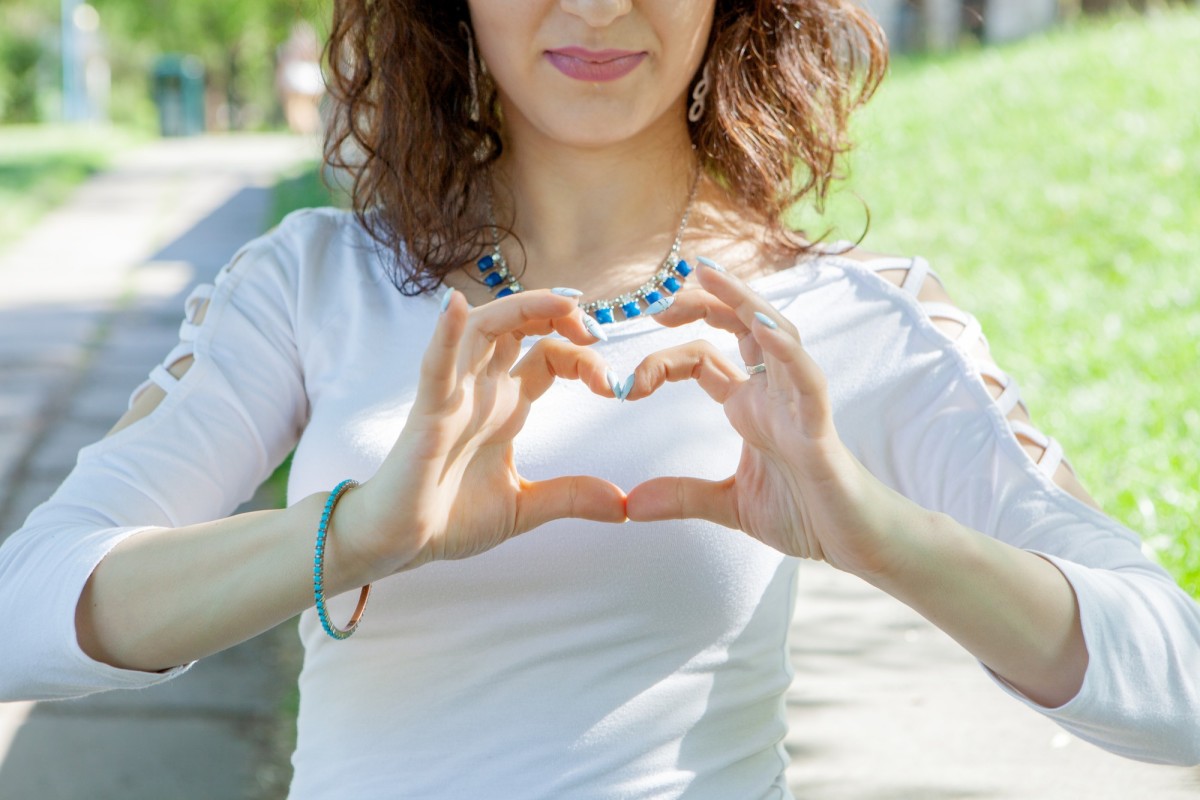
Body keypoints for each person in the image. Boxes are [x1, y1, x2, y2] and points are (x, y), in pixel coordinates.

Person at [2, 1, 1198, 797]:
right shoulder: (312, 281)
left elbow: (1174, 680)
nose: (595, 7)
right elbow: (26, 609)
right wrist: (356, 533)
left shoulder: (846, 319)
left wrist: (878, 532)